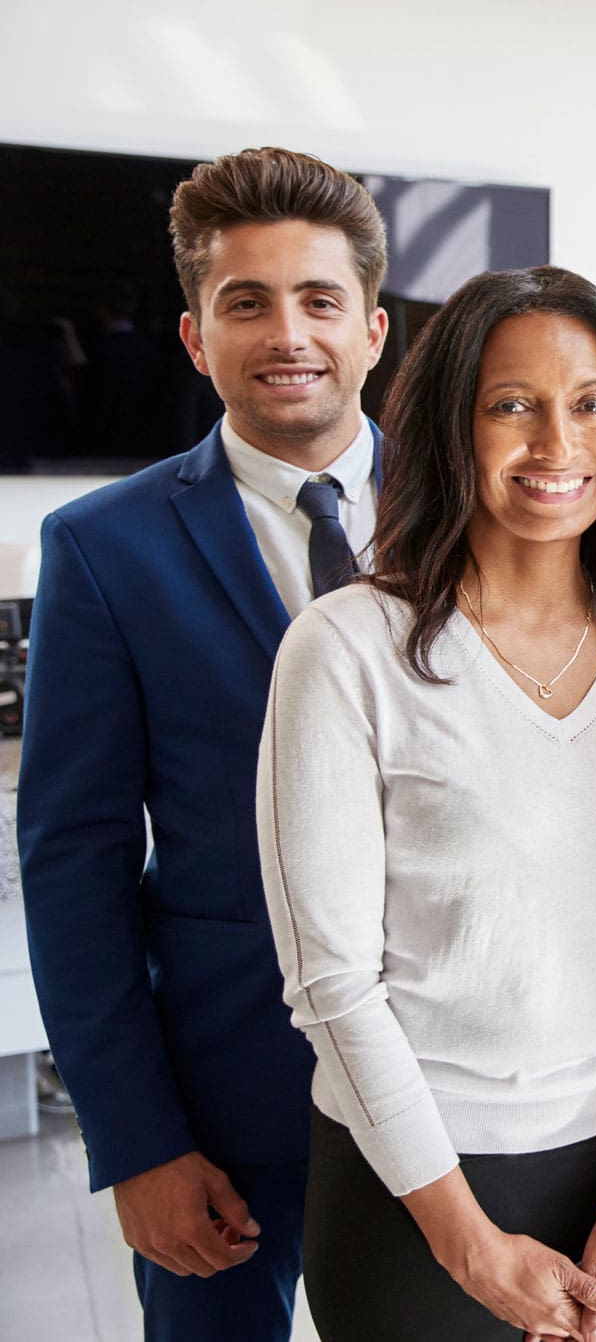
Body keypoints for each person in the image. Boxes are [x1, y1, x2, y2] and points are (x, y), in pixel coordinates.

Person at [257, 266, 596, 1341]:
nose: (556, 443)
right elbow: (330, 982)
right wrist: (469, 1245)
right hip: (413, 1191)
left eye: (591, 405)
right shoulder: (345, 651)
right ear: (450, 428)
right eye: (511, 405)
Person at [18, 146, 390, 1342]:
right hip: (224, 1100)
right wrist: (137, 1140)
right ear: (193, 337)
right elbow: (72, 866)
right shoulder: (103, 548)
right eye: (247, 302)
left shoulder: (485, 517)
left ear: (373, 329)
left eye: (319, 300)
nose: (289, 333)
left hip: (472, 1086)